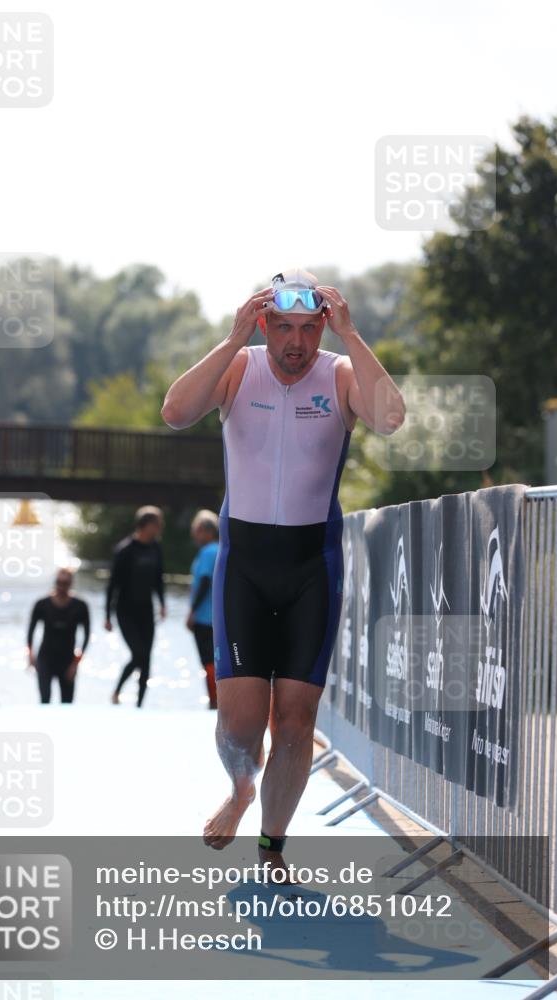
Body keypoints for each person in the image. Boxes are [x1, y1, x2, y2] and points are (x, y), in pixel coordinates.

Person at [161, 267, 406, 879]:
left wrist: (350, 335)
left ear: (321, 324)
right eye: (283, 327)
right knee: (240, 723)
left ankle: (272, 843)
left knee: (296, 722)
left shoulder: (341, 373)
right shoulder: (240, 367)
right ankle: (242, 789)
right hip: (244, 565)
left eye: (308, 327)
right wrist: (230, 337)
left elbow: (393, 419)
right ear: (265, 324)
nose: (295, 342)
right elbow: (174, 412)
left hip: (310, 567)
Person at [105, 505, 166, 707]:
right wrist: (107, 616)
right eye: (157, 524)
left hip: (146, 610)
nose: (159, 528)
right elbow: (112, 585)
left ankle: (139, 705)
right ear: (145, 525)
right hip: (125, 611)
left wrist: (163, 603)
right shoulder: (125, 550)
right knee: (138, 653)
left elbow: (158, 579)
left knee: (147, 659)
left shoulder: (155, 548)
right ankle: (117, 692)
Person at [27, 567, 90, 704]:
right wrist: (30, 655)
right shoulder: (42, 604)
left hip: (68, 660)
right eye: (59, 582)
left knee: (67, 703)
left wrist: (75, 663)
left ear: (71, 584)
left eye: (65, 583)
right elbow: (30, 632)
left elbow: (86, 637)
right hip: (45, 658)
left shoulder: (80, 606)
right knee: (45, 700)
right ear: (55, 582)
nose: (62, 587)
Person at [187, 509, 219, 710]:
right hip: (214, 617)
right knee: (212, 661)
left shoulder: (209, 552)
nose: (195, 534)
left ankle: (214, 701)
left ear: (208, 530)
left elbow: (206, 581)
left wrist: (192, 610)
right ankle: (214, 700)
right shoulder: (217, 549)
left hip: (206, 617)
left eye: (197, 530)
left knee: (208, 661)